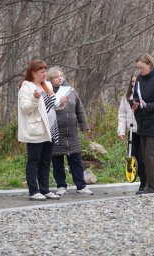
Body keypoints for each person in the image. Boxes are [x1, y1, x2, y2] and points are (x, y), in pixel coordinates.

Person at [17, 59, 68, 201]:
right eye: (41, 71)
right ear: (33, 72)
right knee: (34, 161)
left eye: (45, 71)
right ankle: (33, 191)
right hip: (36, 129)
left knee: (46, 161)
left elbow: (52, 105)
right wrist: (34, 98)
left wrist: (61, 103)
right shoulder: (26, 88)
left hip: (50, 128)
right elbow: (25, 108)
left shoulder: (47, 85)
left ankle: (44, 189)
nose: (45, 74)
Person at [47, 66, 94, 196]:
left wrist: (84, 125)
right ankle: (61, 185)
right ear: (50, 79)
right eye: (56, 77)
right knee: (57, 161)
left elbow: (80, 108)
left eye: (61, 76)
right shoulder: (48, 92)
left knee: (76, 160)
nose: (60, 78)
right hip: (56, 132)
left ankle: (81, 186)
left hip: (72, 133)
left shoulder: (71, 91)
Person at [131, 54, 154, 193]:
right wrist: (135, 105)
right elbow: (136, 96)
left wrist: (148, 106)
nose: (140, 70)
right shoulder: (140, 79)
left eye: (142, 67)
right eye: (138, 68)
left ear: (150, 65)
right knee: (144, 156)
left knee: (150, 155)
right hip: (142, 122)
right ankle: (149, 185)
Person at [117, 74, 147, 194]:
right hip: (132, 132)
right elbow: (122, 115)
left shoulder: (144, 96)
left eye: (137, 81)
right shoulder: (126, 97)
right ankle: (141, 180)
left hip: (143, 131)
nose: (135, 84)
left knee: (142, 158)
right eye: (133, 81)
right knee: (133, 157)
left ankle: (145, 183)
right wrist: (121, 131)